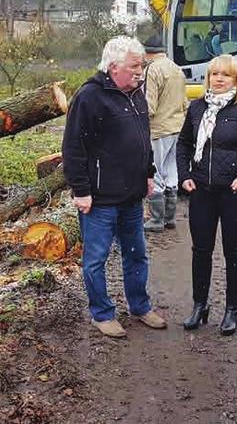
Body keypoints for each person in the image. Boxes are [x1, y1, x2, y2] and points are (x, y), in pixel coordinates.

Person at [62, 35, 168, 339]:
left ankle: (140, 306)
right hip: (99, 200)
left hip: (132, 197)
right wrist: (80, 190)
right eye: (134, 67)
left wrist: (148, 173)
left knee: (136, 254)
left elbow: (143, 138)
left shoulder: (135, 94)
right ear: (113, 67)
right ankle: (102, 314)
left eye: (142, 66)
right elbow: (73, 148)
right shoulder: (89, 97)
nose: (140, 72)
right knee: (95, 259)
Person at [176, 54, 237, 335]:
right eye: (214, 74)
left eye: (226, 75)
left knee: (233, 251)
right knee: (201, 250)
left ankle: (232, 309)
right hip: (202, 190)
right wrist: (185, 175)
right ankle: (199, 305)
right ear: (208, 78)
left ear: (236, 80)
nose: (219, 79)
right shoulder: (197, 108)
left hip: (234, 192)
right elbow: (183, 145)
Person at [142, 32, 188, 233]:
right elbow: (185, 103)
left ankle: (157, 219)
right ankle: (170, 218)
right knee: (172, 172)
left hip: (158, 129)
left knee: (157, 171)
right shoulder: (177, 69)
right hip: (177, 127)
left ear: (147, 53)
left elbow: (148, 106)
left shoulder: (152, 70)